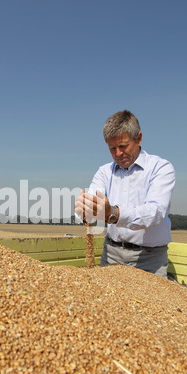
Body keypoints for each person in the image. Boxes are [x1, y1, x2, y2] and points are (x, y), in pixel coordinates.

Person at [74, 110, 176, 278]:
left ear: (139, 138)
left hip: (149, 259)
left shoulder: (161, 168)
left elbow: (155, 212)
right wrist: (84, 210)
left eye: (123, 146)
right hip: (111, 255)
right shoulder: (104, 172)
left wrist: (113, 213)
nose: (118, 153)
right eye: (112, 148)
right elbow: (94, 202)